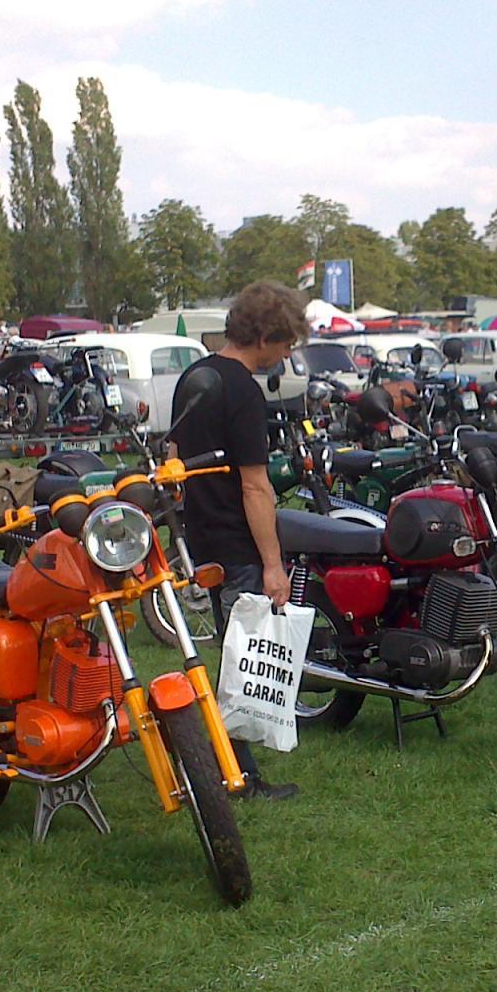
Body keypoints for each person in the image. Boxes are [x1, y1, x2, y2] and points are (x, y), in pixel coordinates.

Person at [168, 280, 307, 801]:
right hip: (237, 540)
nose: (286, 354)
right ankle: (238, 774)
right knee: (244, 663)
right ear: (265, 336)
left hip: (202, 535)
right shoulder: (244, 392)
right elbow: (255, 485)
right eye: (286, 343)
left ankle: (229, 764)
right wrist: (273, 564)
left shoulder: (194, 377)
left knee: (231, 654)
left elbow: (174, 455)